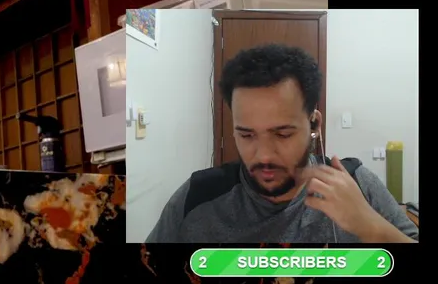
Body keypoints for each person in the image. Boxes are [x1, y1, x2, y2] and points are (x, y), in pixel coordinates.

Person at [147, 44, 418, 244]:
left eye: (283, 134)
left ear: (314, 125)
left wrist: (370, 226)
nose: (264, 155)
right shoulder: (197, 197)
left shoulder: (356, 184)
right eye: (247, 135)